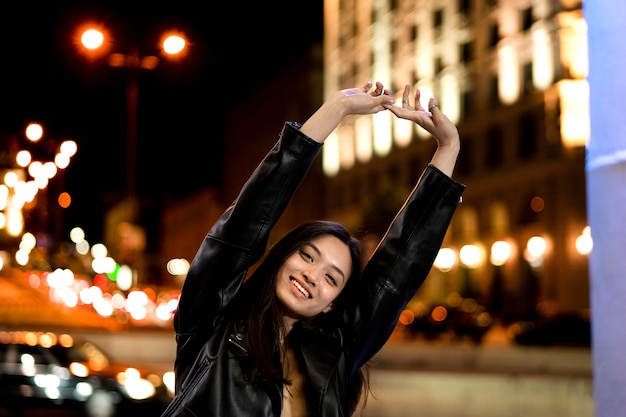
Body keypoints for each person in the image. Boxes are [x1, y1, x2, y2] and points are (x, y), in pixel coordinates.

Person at [159, 81, 466, 417]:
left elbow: (397, 274)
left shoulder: (332, 356)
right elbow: (242, 227)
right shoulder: (213, 322)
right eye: (307, 255)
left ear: (331, 305)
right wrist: (337, 109)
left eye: (332, 278)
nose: (311, 275)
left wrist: (448, 146)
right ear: (281, 257)